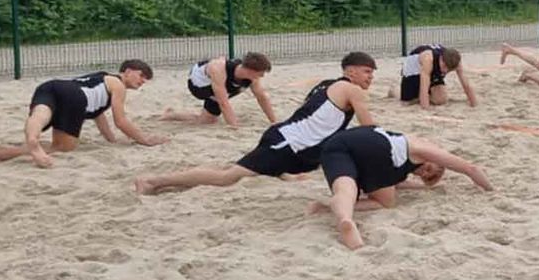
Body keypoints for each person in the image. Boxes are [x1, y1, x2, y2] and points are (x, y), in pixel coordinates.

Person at [133, 53, 378, 195]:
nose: (370, 77)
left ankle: (282, 172)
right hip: (286, 143)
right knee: (228, 177)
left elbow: (305, 113)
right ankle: (154, 181)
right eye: (367, 71)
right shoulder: (351, 89)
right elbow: (370, 132)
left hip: (290, 141)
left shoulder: (327, 84)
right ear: (351, 71)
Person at [308, 127, 493, 249]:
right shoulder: (425, 149)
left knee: (345, 188)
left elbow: (394, 182)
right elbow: (470, 168)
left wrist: (425, 188)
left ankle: (342, 217)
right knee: (385, 203)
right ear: (433, 160)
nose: (422, 172)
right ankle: (333, 212)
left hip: (337, 144)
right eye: (428, 168)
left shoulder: (403, 158)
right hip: (378, 148)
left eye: (424, 176)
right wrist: (491, 190)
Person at [0, 60, 164, 168]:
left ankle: (30, 139)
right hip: (75, 98)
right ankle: (16, 150)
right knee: (62, 147)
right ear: (127, 71)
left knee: (40, 114)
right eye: (141, 76)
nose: (143, 81)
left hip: (53, 86)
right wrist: (145, 140)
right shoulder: (118, 84)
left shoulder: (100, 79)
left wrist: (111, 140)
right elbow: (121, 121)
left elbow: (98, 114)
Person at [161, 53, 275, 127]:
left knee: (207, 121)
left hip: (221, 88)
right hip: (199, 86)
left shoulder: (251, 77)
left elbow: (262, 97)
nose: (262, 76)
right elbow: (223, 102)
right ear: (250, 70)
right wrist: (234, 126)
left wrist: (274, 122)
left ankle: (171, 114)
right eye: (261, 73)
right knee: (223, 98)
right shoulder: (219, 69)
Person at [400, 44, 478, 108]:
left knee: (441, 99)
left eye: (449, 70)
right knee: (407, 101)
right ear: (441, 58)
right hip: (413, 72)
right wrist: (425, 109)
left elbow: (466, 84)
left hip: (432, 69)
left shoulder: (455, 60)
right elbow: (424, 86)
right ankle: (395, 91)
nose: (445, 71)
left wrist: (474, 104)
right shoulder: (428, 59)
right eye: (444, 67)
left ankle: (423, 96)